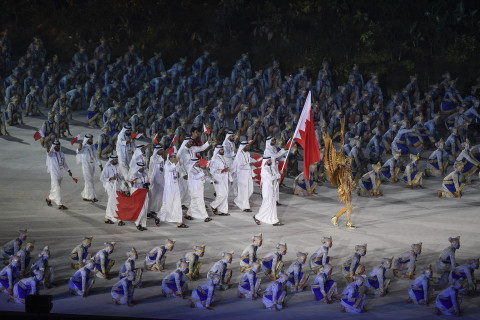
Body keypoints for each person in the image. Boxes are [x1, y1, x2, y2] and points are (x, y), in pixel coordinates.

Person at [158, 151, 189, 228]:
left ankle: (179, 222)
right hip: (169, 188)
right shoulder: (167, 165)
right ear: (170, 158)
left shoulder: (174, 164)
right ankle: (159, 217)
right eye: (174, 157)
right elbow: (171, 168)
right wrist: (176, 163)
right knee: (167, 204)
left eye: (175, 157)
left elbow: (178, 169)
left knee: (177, 203)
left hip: (175, 186)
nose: (175, 158)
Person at [253, 157, 283, 226]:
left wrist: (278, 177)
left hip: (272, 188)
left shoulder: (271, 168)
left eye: (270, 160)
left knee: (272, 204)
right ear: (265, 161)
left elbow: (275, 176)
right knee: (267, 203)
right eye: (269, 160)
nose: (270, 161)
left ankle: (274, 220)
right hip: (267, 189)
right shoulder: (264, 170)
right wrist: (279, 174)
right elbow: (270, 178)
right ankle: (257, 216)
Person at [45, 140, 73, 210]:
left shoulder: (62, 154)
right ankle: (60, 204)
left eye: (58, 146)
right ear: (53, 146)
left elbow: (64, 164)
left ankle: (48, 198)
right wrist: (48, 146)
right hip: (54, 174)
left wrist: (69, 170)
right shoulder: (51, 154)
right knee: (57, 188)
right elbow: (48, 151)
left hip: (60, 174)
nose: (57, 147)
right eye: (55, 146)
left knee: (55, 189)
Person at [100, 155, 126, 225]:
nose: (116, 161)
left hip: (116, 186)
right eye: (114, 160)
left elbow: (120, 176)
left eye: (116, 160)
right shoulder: (107, 168)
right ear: (111, 161)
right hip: (109, 186)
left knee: (115, 201)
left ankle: (109, 217)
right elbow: (102, 178)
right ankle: (115, 218)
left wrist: (124, 182)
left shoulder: (117, 167)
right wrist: (110, 178)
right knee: (113, 201)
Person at [77, 134, 103, 202]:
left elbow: (96, 156)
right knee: (90, 181)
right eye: (90, 139)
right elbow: (78, 151)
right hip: (86, 166)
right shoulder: (84, 147)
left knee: (88, 181)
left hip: (92, 166)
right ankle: (92, 197)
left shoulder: (92, 147)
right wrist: (79, 146)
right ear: (87, 140)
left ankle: (85, 195)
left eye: (92, 139)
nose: (92, 140)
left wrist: (100, 165)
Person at [209, 145, 232, 216]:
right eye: (221, 150)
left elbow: (227, 168)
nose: (223, 151)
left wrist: (230, 179)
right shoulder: (214, 159)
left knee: (225, 194)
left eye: (223, 149)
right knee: (221, 195)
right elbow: (212, 171)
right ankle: (213, 205)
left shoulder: (223, 158)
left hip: (224, 178)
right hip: (218, 179)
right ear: (218, 150)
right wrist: (212, 180)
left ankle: (222, 211)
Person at [263, 136, 286, 204]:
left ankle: (276, 200)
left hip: (275, 168)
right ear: (269, 141)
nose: (274, 141)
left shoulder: (274, 148)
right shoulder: (267, 150)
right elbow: (275, 156)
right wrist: (283, 150)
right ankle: (271, 199)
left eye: (274, 140)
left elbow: (276, 158)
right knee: (272, 185)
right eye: (273, 140)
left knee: (276, 185)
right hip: (270, 169)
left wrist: (283, 160)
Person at [128, 161, 149, 231]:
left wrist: (147, 184)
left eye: (143, 167)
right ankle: (137, 223)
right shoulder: (134, 175)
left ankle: (143, 224)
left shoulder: (145, 174)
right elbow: (131, 184)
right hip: (138, 193)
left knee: (145, 208)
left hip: (145, 192)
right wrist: (133, 183)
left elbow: (147, 182)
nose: (143, 169)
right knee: (140, 209)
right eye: (141, 167)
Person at [233, 141, 254, 212]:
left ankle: (239, 200)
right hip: (242, 174)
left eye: (248, 146)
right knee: (244, 191)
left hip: (248, 173)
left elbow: (249, 163)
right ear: (243, 146)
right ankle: (245, 207)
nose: (248, 147)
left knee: (251, 190)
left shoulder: (248, 153)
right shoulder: (239, 155)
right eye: (247, 146)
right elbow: (240, 166)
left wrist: (252, 173)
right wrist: (249, 165)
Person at [147, 145, 165, 224]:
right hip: (154, 179)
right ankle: (151, 210)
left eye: (162, 150)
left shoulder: (161, 158)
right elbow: (152, 169)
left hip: (161, 179)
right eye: (160, 150)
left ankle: (157, 209)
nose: (162, 151)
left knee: (160, 195)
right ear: (157, 150)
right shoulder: (153, 158)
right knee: (153, 195)